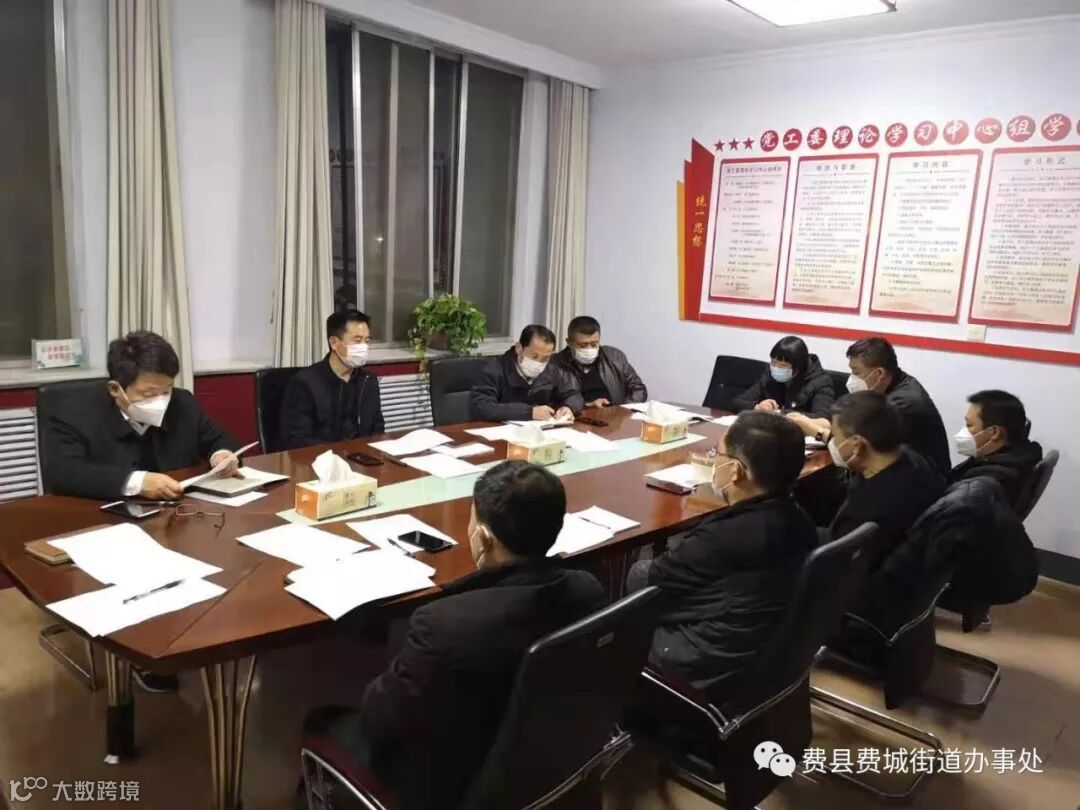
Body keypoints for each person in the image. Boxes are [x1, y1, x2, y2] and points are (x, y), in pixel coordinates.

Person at [301, 462, 604, 810]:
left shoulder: (444, 625)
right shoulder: (588, 590)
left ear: (483, 537)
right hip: (543, 760)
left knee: (323, 721)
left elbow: (380, 721)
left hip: (451, 785)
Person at [626, 412, 816, 703]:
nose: (714, 461)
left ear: (736, 471)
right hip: (760, 653)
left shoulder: (724, 536)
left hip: (700, 666)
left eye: (718, 454)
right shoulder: (802, 521)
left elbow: (645, 581)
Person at [43, 330, 239, 502]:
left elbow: (220, 439)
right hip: (104, 517)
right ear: (115, 389)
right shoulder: (73, 412)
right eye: (149, 394)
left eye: (167, 390)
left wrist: (221, 455)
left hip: (175, 512)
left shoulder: (182, 403)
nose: (161, 401)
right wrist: (137, 482)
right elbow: (64, 472)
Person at [788, 336, 950, 475]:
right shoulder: (891, 384)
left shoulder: (901, 404)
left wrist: (817, 432)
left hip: (919, 483)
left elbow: (859, 452)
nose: (851, 379)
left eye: (856, 372)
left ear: (879, 373)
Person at [827, 392, 944, 568]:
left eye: (835, 436)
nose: (833, 443)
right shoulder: (914, 458)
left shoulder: (867, 512)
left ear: (857, 445)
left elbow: (839, 564)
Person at [279, 310, 384, 450]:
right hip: (322, 459)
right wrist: (340, 452)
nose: (363, 347)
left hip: (362, 458)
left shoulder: (368, 380)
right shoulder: (304, 383)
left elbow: (377, 430)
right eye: (357, 340)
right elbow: (297, 440)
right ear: (334, 343)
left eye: (367, 341)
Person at [948, 389, 1042, 512]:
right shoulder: (1006, 462)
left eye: (969, 425)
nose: (963, 432)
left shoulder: (986, 484)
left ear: (994, 433)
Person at [470, 325, 583, 422]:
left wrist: (569, 407)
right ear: (519, 348)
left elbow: (573, 394)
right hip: (500, 432)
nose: (539, 363)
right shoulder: (495, 370)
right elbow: (483, 407)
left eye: (545, 358)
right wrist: (530, 412)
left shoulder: (551, 370)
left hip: (539, 432)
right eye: (535, 356)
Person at [553, 315, 647, 407]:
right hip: (577, 415)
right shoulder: (555, 364)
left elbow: (638, 389)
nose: (589, 349)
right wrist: (586, 405)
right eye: (582, 345)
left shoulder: (615, 357)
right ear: (569, 342)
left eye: (594, 344)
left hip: (615, 413)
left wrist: (622, 410)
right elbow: (549, 402)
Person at [732, 335, 835, 417]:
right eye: (773, 363)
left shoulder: (821, 381)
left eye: (783, 365)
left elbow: (823, 417)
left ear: (798, 367)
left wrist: (780, 413)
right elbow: (737, 402)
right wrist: (758, 407)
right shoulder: (769, 373)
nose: (776, 368)